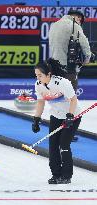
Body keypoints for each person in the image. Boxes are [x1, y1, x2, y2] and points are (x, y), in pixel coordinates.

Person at [32, 59, 81, 184]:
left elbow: (73, 100)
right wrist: (36, 119)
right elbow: (41, 102)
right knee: (53, 146)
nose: (37, 78)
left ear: (48, 74)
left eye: (40, 75)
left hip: (72, 115)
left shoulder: (62, 83)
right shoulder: (38, 85)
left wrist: (70, 116)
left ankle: (66, 176)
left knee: (64, 144)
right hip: (56, 116)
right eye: (36, 75)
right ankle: (56, 174)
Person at [49, 10, 91, 142]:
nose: (80, 22)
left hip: (54, 68)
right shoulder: (74, 25)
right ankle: (66, 134)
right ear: (77, 17)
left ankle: (57, 131)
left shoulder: (54, 25)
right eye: (80, 20)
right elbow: (84, 45)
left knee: (58, 101)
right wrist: (87, 58)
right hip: (68, 70)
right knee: (70, 101)